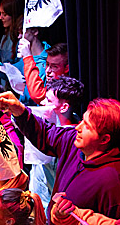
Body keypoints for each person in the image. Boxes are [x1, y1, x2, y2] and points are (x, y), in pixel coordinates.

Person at [0, 91, 120, 225]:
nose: (78, 127)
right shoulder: (74, 143)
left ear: (104, 139)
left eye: (87, 126)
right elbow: (47, 134)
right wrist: (19, 111)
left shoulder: (114, 179)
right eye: (82, 120)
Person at [26, 75, 85, 209]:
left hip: (50, 208)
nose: (43, 104)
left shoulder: (68, 140)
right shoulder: (53, 127)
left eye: (48, 100)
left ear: (63, 107)